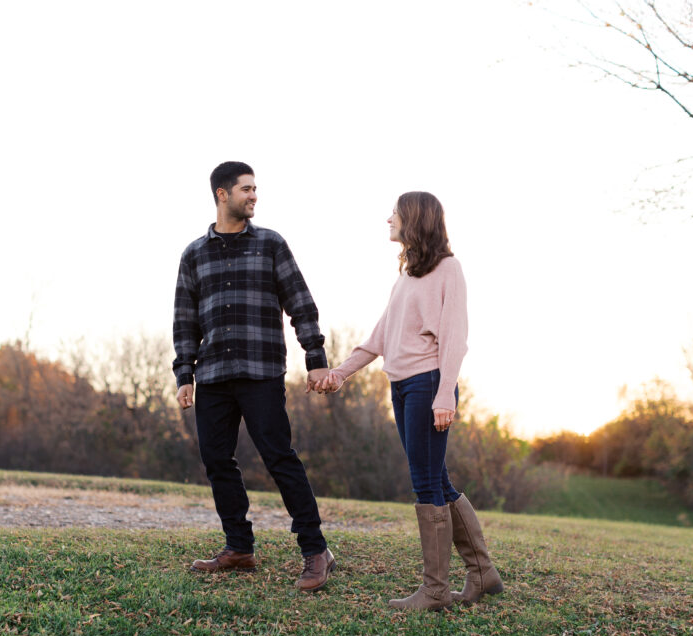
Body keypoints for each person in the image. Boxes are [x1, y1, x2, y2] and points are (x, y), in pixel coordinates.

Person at [317, 191, 503, 610]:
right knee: (437, 479)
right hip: (401, 385)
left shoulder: (448, 270)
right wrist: (340, 373)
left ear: (414, 219)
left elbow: (455, 338)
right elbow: (380, 338)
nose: (388, 220)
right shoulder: (406, 276)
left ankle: (436, 590)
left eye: (395, 214)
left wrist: (444, 394)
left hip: (428, 383)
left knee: (425, 482)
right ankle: (482, 573)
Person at [172, 161, 335, 592]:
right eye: (246, 189)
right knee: (216, 460)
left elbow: (301, 302)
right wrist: (183, 374)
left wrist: (315, 356)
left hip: (261, 370)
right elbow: (185, 320)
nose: (254, 196)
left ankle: (316, 550)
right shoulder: (194, 254)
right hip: (212, 375)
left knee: (279, 457)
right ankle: (239, 547)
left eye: (255, 189)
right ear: (222, 194)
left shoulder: (270, 244)